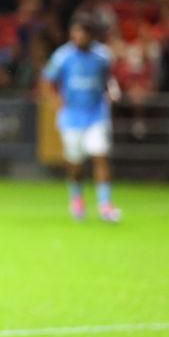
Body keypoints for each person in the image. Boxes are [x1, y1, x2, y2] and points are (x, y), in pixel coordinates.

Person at [42, 15, 123, 223]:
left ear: (91, 35)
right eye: (75, 32)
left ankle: (105, 204)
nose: (78, 36)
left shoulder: (102, 56)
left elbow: (108, 79)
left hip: (96, 114)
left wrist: (112, 92)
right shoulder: (62, 56)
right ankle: (76, 198)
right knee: (75, 164)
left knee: (100, 155)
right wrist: (56, 102)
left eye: (82, 32)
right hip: (71, 117)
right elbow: (47, 80)